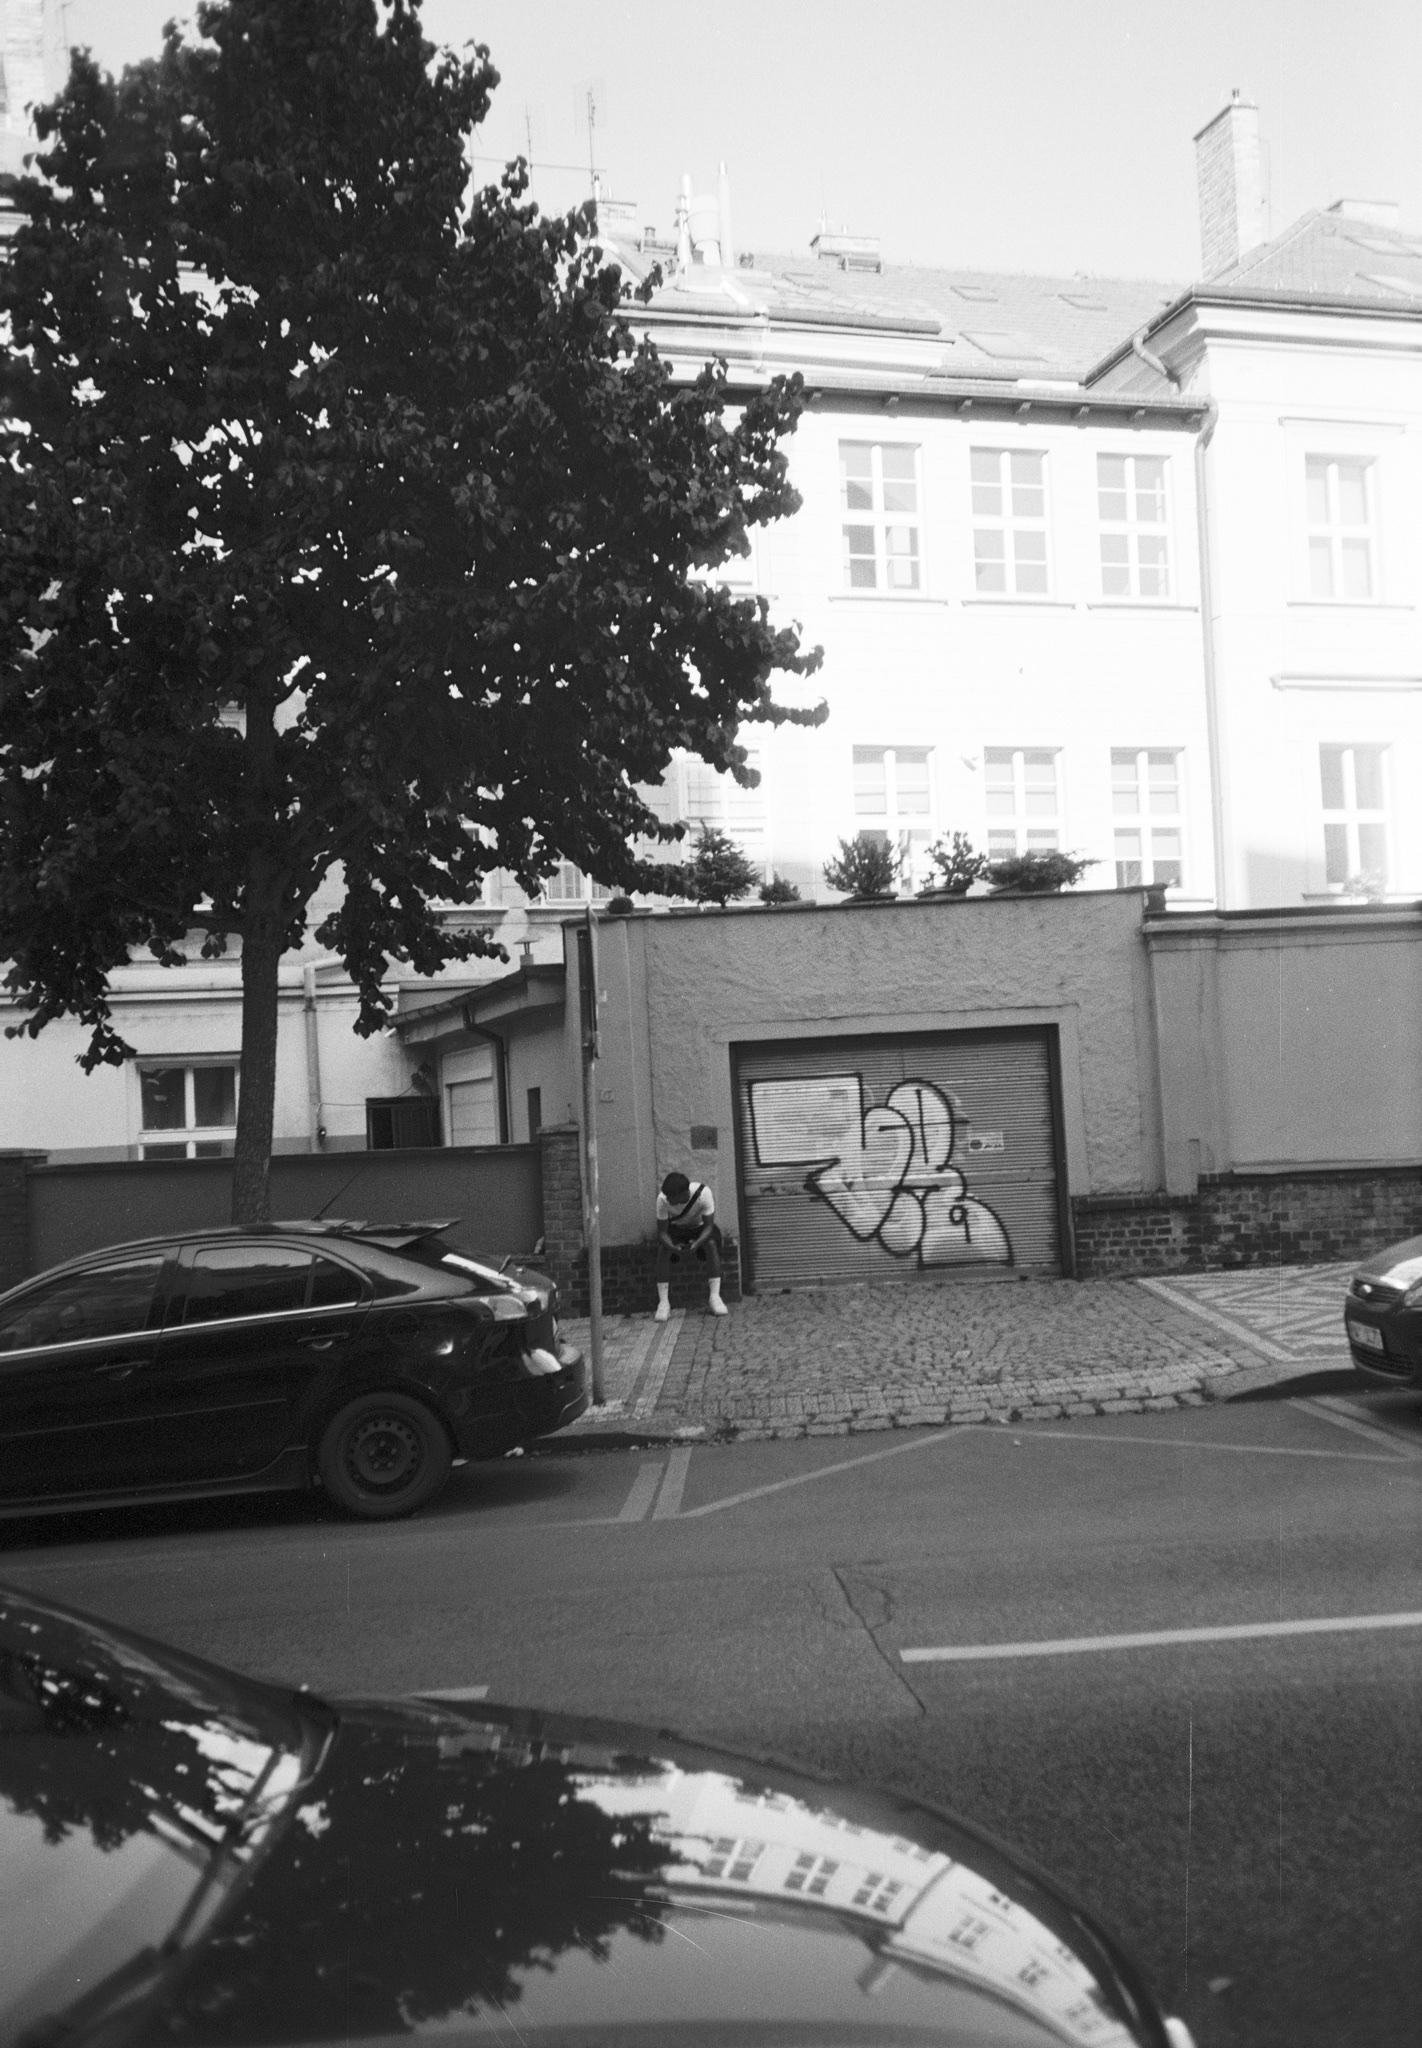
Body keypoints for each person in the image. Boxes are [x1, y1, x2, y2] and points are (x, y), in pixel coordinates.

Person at [654, 1170, 727, 1319]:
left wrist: (697, 1243)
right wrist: (673, 1247)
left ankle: (715, 1297)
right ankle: (663, 1302)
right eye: (667, 1197)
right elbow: (662, 1232)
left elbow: (709, 1226)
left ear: (683, 1194)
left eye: (671, 1198)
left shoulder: (703, 1193)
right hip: (676, 1229)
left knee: (711, 1244)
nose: (667, 1200)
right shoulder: (662, 1199)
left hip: (699, 1228)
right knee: (663, 1249)